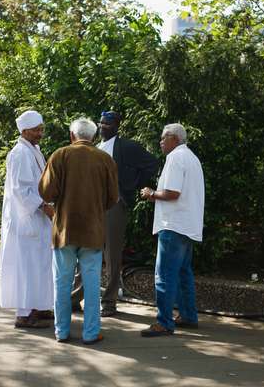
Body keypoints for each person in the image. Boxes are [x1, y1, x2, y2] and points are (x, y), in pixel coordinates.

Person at [39, 117, 118, 344]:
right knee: (92, 283)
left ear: (72, 135)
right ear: (92, 137)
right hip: (93, 231)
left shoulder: (60, 155)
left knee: (62, 282)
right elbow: (113, 198)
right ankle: (91, 332)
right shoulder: (105, 159)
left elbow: (46, 193)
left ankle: (62, 332)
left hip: (64, 229)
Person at [71, 111, 158, 316]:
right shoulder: (94, 147)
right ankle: (74, 298)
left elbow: (151, 164)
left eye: (107, 123)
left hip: (114, 205)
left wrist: (130, 186)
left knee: (111, 254)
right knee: (86, 250)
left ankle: (109, 302)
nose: (103, 126)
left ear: (117, 126)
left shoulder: (127, 147)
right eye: (100, 123)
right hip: (91, 205)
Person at [139, 123, 204, 337]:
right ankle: (188, 316)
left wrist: (151, 193)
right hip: (187, 225)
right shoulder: (192, 158)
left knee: (164, 275)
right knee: (184, 273)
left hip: (173, 225)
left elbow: (172, 192)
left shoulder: (175, 157)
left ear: (174, 139)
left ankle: (164, 322)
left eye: (164, 138)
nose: (160, 141)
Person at [0, 110, 55, 329]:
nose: (40, 133)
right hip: (26, 219)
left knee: (39, 265)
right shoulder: (21, 153)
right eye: (36, 130)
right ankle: (24, 314)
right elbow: (21, 190)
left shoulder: (33, 150)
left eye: (41, 129)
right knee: (26, 267)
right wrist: (44, 207)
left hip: (35, 217)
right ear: (24, 131)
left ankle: (38, 307)